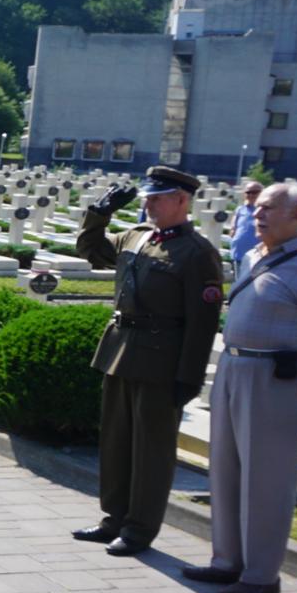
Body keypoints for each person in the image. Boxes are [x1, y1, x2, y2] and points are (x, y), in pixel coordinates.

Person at [186, 181, 297, 593]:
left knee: (267, 479)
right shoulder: (255, 254)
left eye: (269, 209)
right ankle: (227, 560)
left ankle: (261, 574)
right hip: (235, 367)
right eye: (256, 208)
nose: (257, 214)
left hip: (278, 379)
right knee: (225, 469)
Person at [72, 165, 224, 556]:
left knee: (152, 451)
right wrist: (99, 214)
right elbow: (92, 252)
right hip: (120, 351)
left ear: (181, 200)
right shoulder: (136, 237)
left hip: (162, 362)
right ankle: (114, 519)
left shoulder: (197, 253)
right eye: (147, 197)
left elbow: (202, 324)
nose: (149, 203)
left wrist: (188, 379)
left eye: (157, 197)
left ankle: (139, 530)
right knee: (116, 442)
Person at [229, 180, 264, 274]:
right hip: (239, 252)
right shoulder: (240, 209)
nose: (251, 195)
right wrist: (233, 230)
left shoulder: (265, 210)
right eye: (248, 192)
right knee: (238, 283)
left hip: (257, 255)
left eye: (254, 192)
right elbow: (234, 226)